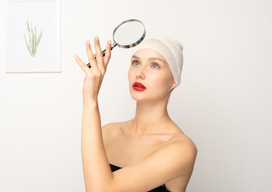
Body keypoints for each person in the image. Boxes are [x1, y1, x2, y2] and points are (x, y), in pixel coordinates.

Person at [74, 35, 197, 192]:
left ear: (174, 81)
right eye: (136, 63)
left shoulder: (182, 149)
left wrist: (90, 99)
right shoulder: (107, 133)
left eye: (155, 65)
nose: (139, 73)